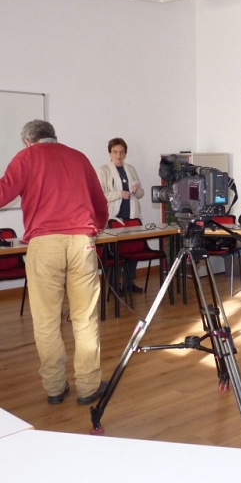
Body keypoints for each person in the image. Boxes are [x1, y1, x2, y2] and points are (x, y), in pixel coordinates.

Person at [0, 120, 108, 405]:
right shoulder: (79, 157)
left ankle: (55, 388)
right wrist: (94, 228)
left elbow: (1, 196)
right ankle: (88, 387)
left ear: (27, 141)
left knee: (46, 320)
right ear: (54, 137)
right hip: (81, 243)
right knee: (85, 318)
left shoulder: (27, 157)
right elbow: (100, 204)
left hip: (44, 245)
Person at [96, 137, 145, 292]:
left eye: (122, 152)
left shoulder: (130, 169)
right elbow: (99, 195)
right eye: (115, 152)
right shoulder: (103, 170)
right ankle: (113, 285)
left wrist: (136, 192)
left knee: (132, 249)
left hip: (131, 217)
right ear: (110, 153)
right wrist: (118, 194)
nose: (119, 155)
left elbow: (141, 193)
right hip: (113, 219)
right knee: (114, 252)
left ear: (125, 154)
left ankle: (129, 283)